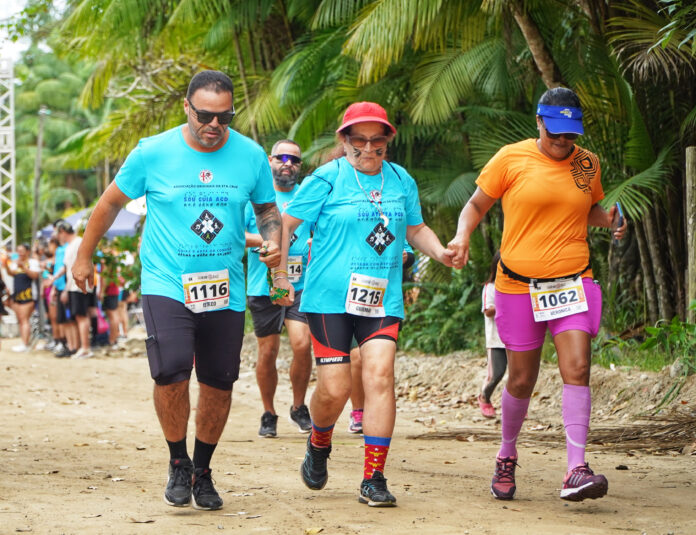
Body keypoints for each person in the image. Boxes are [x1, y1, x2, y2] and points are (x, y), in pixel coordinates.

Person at [71, 70, 284, 512]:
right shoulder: (153, 152)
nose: (214, 125)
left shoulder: (250, 155)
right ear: (186, 107)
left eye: (224, 117)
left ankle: (201, 471)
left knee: (219, 382)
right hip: (166, 281)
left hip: (225, 286)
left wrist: (273, 240)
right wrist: (84, 256)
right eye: (205, 115)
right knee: (170, 371)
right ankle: (177, 461)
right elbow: (110, 203)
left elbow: (267, 209)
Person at [448, 87, 627, 502]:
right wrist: (462, 236)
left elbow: (586, 209)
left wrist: (610, 220)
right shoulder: (510, 158)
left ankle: (576, 469)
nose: (563, 141)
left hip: (572, 282)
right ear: (539, 122)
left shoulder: (587, 163)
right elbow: (475, 205)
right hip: (518, 285)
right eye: (555, 133)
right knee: (521, 379)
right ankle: (506, 455)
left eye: (570, 134)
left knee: (578, 367)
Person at [275, 101, 454, 507]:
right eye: (359, 140)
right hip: (328, 299)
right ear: (344, 140)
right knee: (336, 389)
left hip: (381, 298)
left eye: (378, 141)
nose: (369, 148)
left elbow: (415, 229)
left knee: (380, 376)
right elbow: (287, 224)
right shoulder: (325, 179)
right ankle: (319, 441)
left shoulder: (401, 179)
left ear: (389, 140)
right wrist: (281, 276)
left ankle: (374, 477)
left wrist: (441, 253)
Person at [245, 139, 313, 437]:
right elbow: (235, 233)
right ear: (270, 161)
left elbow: (321, 230)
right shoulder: (257, 198)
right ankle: (268, 412)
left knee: (302, 344)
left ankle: (298, 407)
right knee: (268, 352)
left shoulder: (308, 197)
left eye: (294, 160)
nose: (288, 164)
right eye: (282, 158)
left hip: (300, 285)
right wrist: (268, 241)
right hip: (264, 285)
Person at [348, 244, 415, 434]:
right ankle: (357, 410)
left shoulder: (392, 224)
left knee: (379, 366)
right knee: (355, 358)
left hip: (382, 300)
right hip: (345, 298)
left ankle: (375, 416)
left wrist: (406, 257)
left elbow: (410, 250)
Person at [478, 251, 506, 418]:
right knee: (497, 373)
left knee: (518, 374)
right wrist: (505, 304)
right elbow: (488, 311)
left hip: (516, 338)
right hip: (496, 339)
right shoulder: (490, 288)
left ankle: (514, 406)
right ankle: (484, 397)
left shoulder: (518, 288)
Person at [62, 222, 92, 359]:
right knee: (79, 317)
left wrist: (67, 288)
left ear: (63, 232)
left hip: (78, 285)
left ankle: (85, 348)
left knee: (82, 316)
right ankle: (83, 347)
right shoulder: (71, 245)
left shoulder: (78, 242)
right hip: (74, 285)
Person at [4, 244, 40, 352]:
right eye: (18, 251)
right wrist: (6, 265)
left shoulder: (33, 262)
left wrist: (23, 266)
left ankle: (25, 344)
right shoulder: (15, 262)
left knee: (24, 319)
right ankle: (24, 341)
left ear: (27, 251)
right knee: (20, 319)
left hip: (28, 295)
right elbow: (12, 273)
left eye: (22, 251)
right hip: (16, 295)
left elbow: (35, 276)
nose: (20, 253)